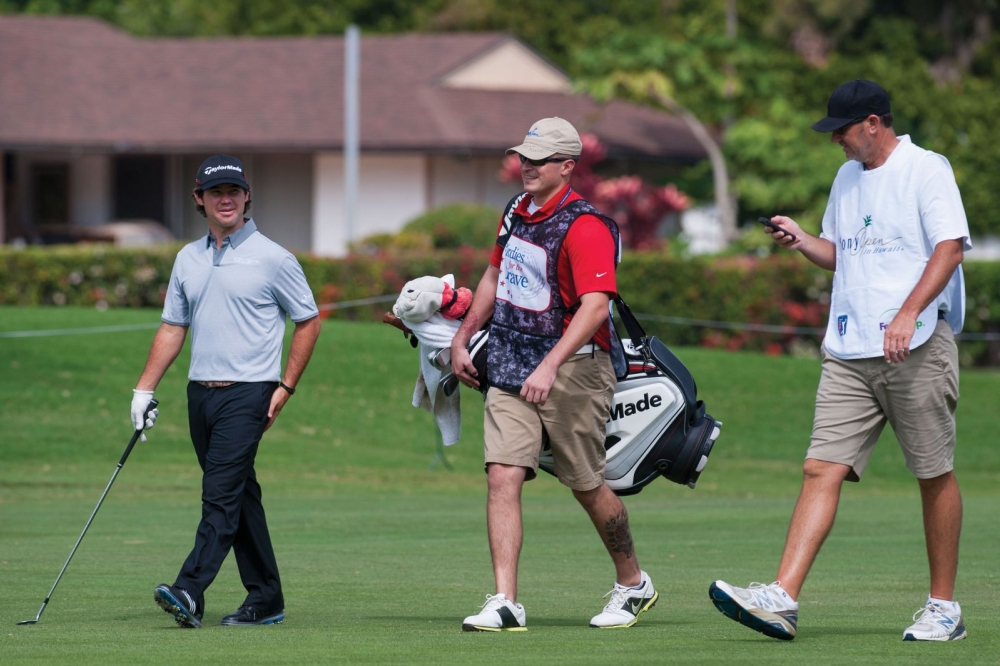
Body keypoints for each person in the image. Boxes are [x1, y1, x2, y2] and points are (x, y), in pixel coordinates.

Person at [709, 80, 970, 642]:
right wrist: (803, 240)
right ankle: (782, 598)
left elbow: (949, 247)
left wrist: (906, 313)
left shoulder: (928, 169)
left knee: (932, 473)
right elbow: (841, 253)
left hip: (916, 342)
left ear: (874, 122)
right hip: (849, 349)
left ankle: (944, 607)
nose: (838, 144)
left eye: (844, 132)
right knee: (819, 467)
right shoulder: (846, 178)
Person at [449, 117, 657, 632]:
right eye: (524, 157)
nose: (527, 166)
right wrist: (463, 334)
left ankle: (633, 583)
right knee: (503, 474)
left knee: (586, 483)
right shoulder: (516, 211)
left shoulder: (586, 225)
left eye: (539, 159)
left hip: (577, 369)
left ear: (567, 166)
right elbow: (496, 274)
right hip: (510, 364)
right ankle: (505, 600)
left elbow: (594, 308)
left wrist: (549, 365)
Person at [131, 155, 321, 628]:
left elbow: (308, 321)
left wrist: (286, 386)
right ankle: (267, 598)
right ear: (199, 199)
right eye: (216, 192)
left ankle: (189, 590)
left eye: (235, 191)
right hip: (201, 395)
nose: (227, 199)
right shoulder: (187, 259)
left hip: (249, 393)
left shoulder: (275, 257)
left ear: (247, 196)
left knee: (219, 494)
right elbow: (173, 327)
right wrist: (143, 390)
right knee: (238, 495)